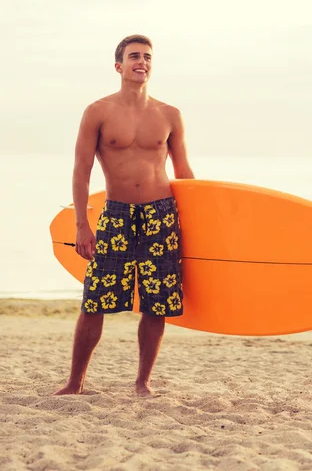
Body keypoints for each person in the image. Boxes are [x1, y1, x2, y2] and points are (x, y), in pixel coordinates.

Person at [54, 34, 194, 397]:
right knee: (95, 298)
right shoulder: (98, 111)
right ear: (119, 65)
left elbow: (185, 174)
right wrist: (81, 223)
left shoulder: (169, 115)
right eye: (134, 56)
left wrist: (198, 226)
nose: (141, 62)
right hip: (116, 214)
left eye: (147, 57)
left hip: (162, 215)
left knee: (156, 301)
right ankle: (75, 382)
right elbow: (80, 171)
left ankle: (142, 382)